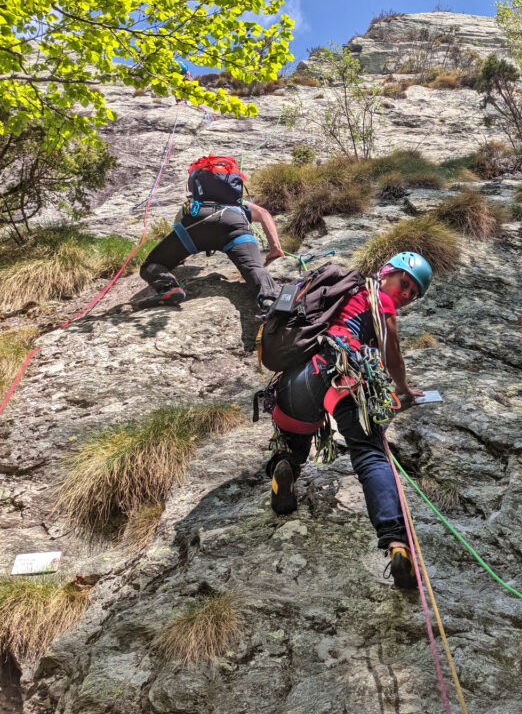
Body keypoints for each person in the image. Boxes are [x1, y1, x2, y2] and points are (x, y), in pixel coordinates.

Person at [265, 252, 432, 590]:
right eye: (405, 283)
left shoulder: (343, 297)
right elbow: (392, 353)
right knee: (370, 453)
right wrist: (403, 390)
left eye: (413, 293)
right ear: (387, 274)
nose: (406, 294)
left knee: (295, 434)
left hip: (299, 380)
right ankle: (397, 543)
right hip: (344, 372)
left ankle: (285, 466)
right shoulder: (378, 298)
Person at [139, 162, 284, 310]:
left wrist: (180, 256)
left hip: (197, 223)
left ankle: (169, 288)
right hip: (234, 224)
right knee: (254, 267)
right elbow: (264, 214)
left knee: (149, 266)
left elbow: (179, 226)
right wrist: (275, 249)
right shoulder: (238, 203)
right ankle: (269, 299)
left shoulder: (193, 204)